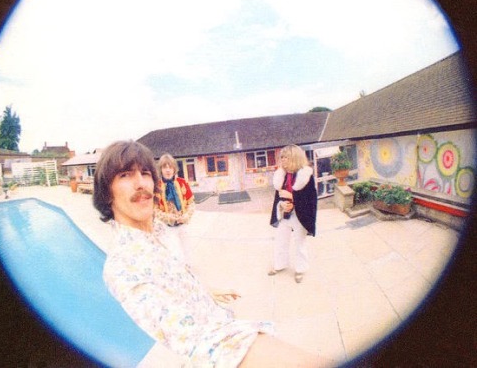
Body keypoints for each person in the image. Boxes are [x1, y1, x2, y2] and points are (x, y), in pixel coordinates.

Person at [93, 140, 316, 367]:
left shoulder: (158, 234)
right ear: (106, 192)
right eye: (125, 175)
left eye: (145, 173)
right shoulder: (122, 267)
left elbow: (176, 277)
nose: (141, 183)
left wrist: (206, 292)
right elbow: (194, 336)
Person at [268, 144, 317, 283]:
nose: (282, 160)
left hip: (300, 215)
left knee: (299, 242)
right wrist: (282, 204)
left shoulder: (305, 175)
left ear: (294, 158)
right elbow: (279, 196)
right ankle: (279, 265)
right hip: (285, 214)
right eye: (282, 157)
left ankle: (300, 269)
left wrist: (291, 197)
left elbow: (310, 199)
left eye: (286, 157)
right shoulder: (282, 175)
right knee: (281, 240)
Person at [155, 153, 195, 264]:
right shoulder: (157, 186)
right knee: (174, 255)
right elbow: (155, 209)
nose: (168, 170)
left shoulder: (182, 182)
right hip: (167, 228)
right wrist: (169, 217)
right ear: (161, 169)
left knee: (187, 253)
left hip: (183, 225)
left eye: (170, 167)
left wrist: (186, 216)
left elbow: (191, 203)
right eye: (164, 167)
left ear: (174, 169)